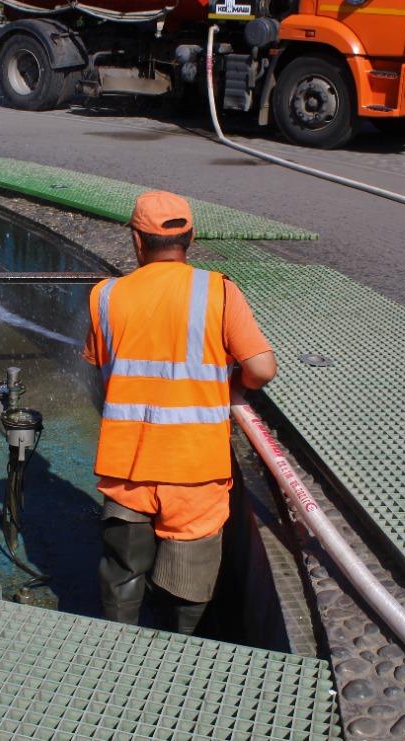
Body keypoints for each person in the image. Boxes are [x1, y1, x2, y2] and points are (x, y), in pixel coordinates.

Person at [83, 190, 277, 635]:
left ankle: (118, 657)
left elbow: (102, 377)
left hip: (127, 467)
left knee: (122, 575)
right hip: (195, 473)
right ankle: (176, 662)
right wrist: (229, 386)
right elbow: (262, 368)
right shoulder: (218, 291)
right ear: (189, 239)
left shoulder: (106, 297)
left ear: (136, 240)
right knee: (186, 590)